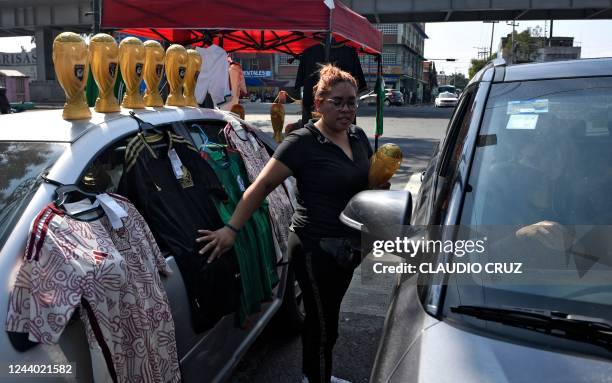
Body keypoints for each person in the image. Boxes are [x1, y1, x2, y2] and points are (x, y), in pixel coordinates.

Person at [197, 64, 385, 383]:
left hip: (349, 246)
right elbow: (261, 186)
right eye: (337, 102)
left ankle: (314, 374)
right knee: (323, 324)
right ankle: (317, 378)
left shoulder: (358, 136)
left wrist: (378, 188)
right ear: (318, 103)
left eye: (352, 101)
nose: (346, 109)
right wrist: (231, 229)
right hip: (315, 248)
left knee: (327, 318)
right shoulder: (302, 142)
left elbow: (364, 183)